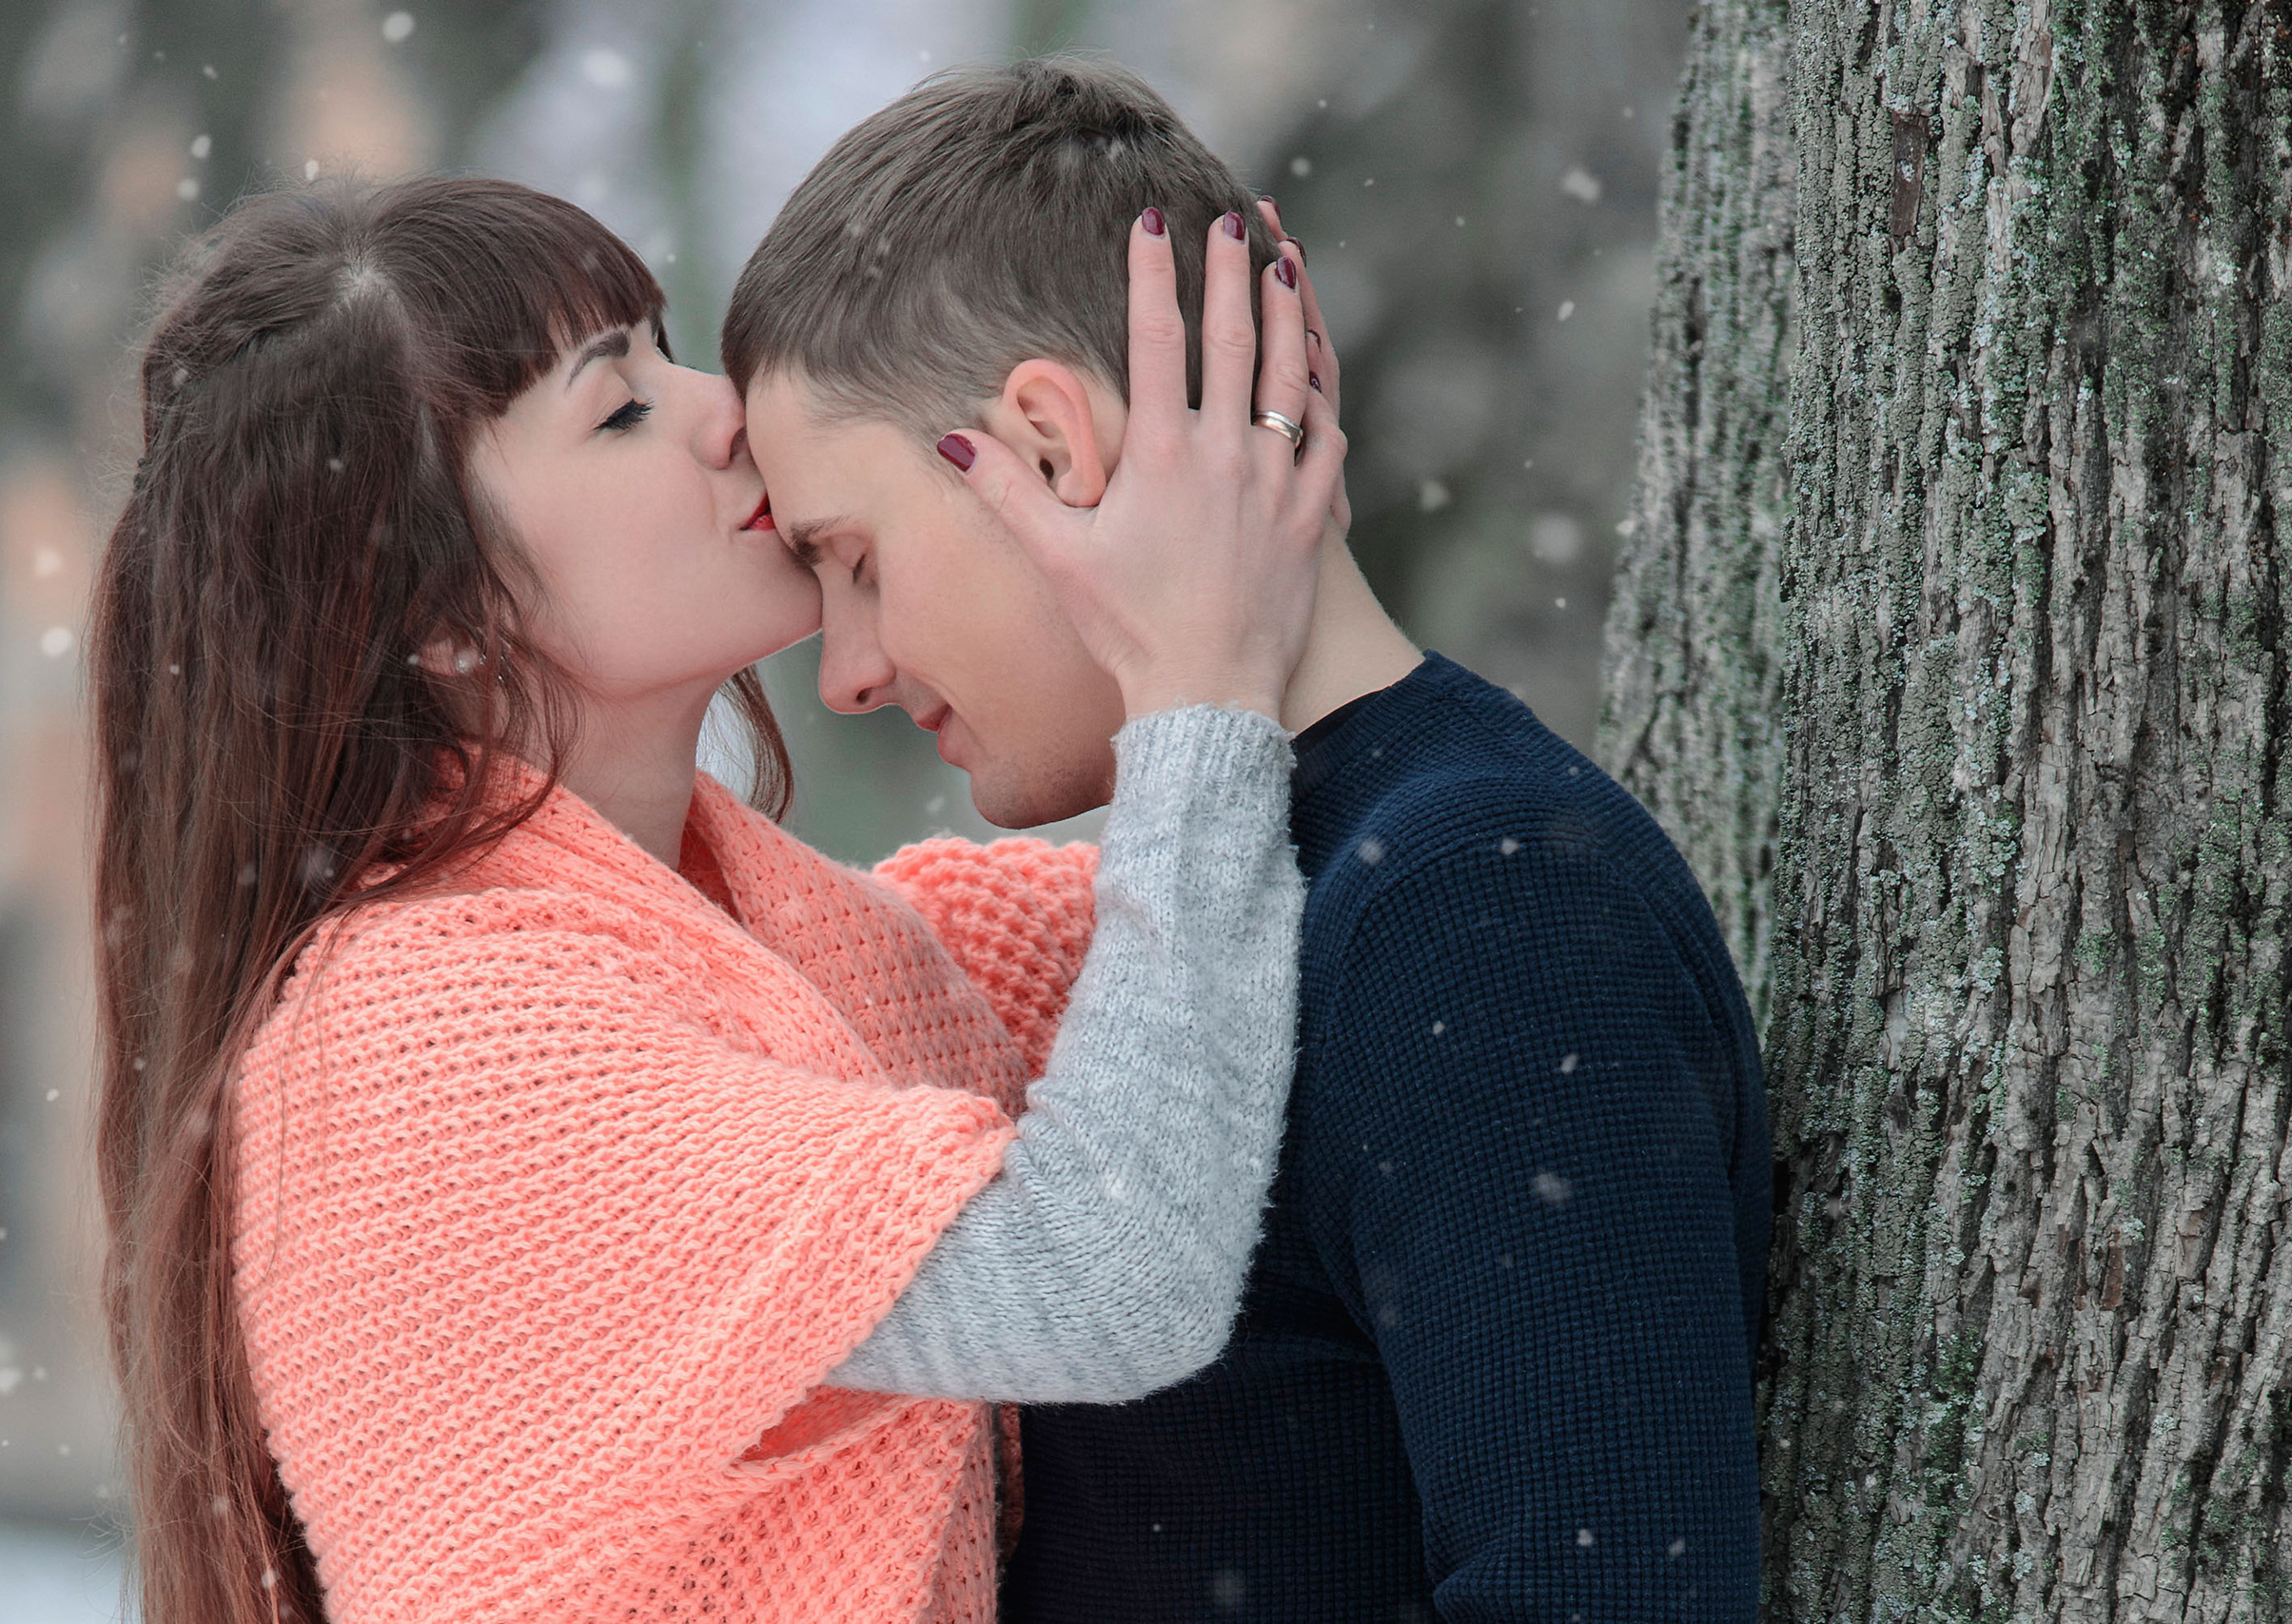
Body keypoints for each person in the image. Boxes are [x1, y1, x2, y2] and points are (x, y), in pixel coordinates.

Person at [89, 174, 1342, 1624]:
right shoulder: (423, 1053)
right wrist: (1197, 676)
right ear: (439, 618)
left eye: (666, 350)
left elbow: (1218, 948)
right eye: (616, 408)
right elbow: (1105, 1274)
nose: (722, 409)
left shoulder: (781, 954)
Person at [727, 57, 1771, 1622]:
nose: (849, 667)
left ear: (1049, 449)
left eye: (853, 558)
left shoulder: (1474, 906)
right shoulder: (1242, 893)